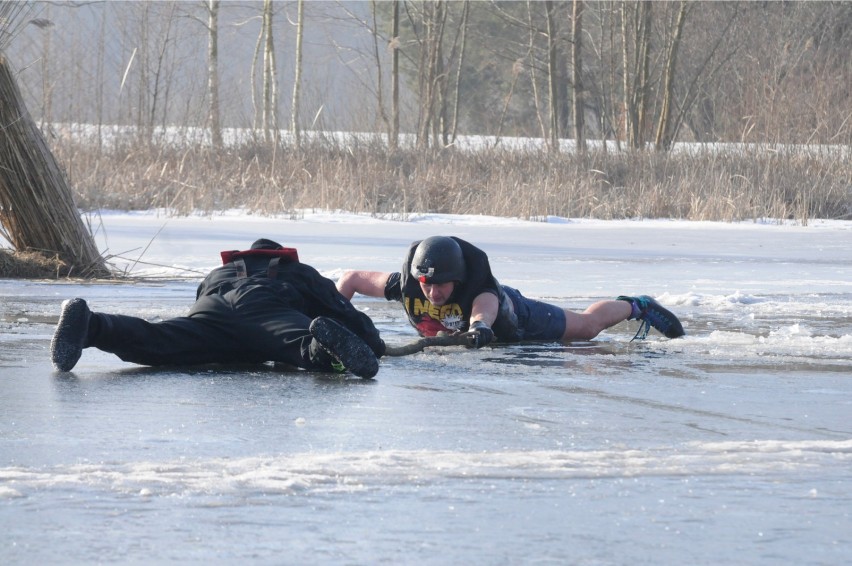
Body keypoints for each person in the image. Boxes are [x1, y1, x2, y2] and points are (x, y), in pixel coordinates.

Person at [50, 238, 385, 378]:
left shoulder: (218, 272)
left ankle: (92, 326)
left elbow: (201, 302)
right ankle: (329, 351)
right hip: (267, 308)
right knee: (302, 345)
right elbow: (342, 310)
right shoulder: (297, 271)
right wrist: (374, 342)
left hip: (213, 314)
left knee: (160, 339)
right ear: (279, 255)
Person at [336, 235, 684, 349]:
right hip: (467, 330)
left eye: (441, 285)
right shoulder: (406, 284)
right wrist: (331, 312)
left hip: (517, 318)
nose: (433, 293)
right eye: (427, 285)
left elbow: (483, 312)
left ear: (456, 279)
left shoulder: (479, 291)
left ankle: (636, 306)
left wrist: (480, 329)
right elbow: (351, 279)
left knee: (586, 330)